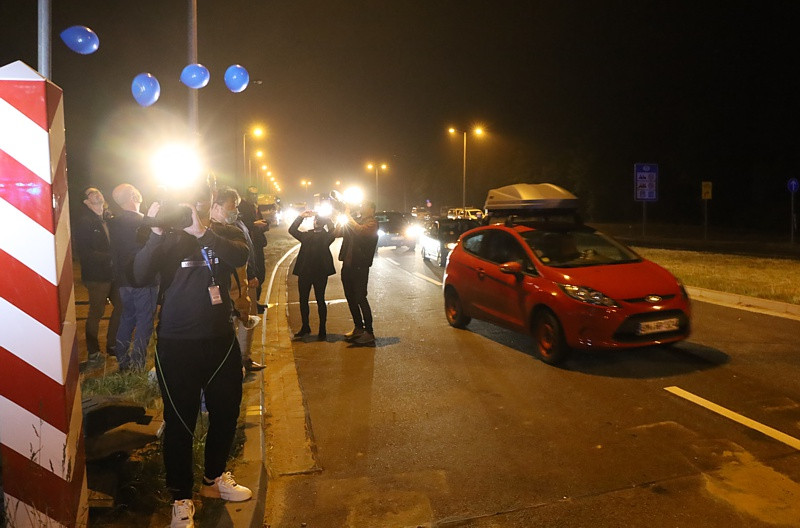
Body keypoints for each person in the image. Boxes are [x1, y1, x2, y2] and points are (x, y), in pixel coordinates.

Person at [133, 182, 252, 528]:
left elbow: (240, 256)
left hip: (220, 342)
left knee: (226, 413)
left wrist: (202, 233)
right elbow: (138, 274)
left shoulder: (225, 232)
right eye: (187, 200)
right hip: (176, 344)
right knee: (180, 422)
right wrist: (155, 233)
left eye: (201, 200)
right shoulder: (166, 237)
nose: (193, 207)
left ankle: (213, 480)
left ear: (211, 202)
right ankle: (181, 498)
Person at [210, 187, 265, 372]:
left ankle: (244, 359)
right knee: (230, 323)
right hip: (228, 288)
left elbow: (247, 253)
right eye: (231, 206)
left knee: (245, 318)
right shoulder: (211, 232)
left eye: (236, 206)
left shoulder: (236, 226)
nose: (235, 210)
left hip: (242, 283)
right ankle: (232, 366)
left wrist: (252, 273)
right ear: (215, 207)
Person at [108, 183, 158, 371]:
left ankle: (123, 360)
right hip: (144, 279)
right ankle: (138, 364)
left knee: (127, 318)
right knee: (145, 321)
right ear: (134, 197)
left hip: (123, 280)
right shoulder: (144, 222)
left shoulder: (114, 223)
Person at [73, 187, 120, 362]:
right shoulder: (85, 222)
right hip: (97, 276)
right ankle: (93, 352)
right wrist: (111, 257)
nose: (97, 194)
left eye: (98, 191)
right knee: (96, 313)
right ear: (86, 201)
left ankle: (112, 344)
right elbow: (85, 252)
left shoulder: (109, 217)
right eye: (91, 193)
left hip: (113, 273)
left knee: (121, 306)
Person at [335, 200, 379, 346]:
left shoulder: (372, 224)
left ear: (371, 209)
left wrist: (348, 215)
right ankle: (358, 328)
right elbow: (338, 233)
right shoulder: (356, 221)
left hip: (360, 266)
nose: (362, 208)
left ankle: (369, 332)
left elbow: (360, 231)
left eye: (365, 206)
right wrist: (342, 216)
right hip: (347, 266)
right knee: (350, 297)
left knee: (360, 297)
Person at [288, 210, 336, 340]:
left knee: (318, 300)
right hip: (308, 272)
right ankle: (308, 327)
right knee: (306, 300)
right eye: (316, 220)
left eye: (318, 220)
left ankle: (319, 329)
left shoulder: (325, 236)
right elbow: (292, 230)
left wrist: (326, 218)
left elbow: (333, 230)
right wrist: (301, 217)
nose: (316, 222)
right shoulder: (309, 235)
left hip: (316, 272)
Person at [237, 186, 269, 312]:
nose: (254, 197)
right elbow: (243, 224)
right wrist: (255, 224)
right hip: (250, 244)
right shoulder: (243, 206)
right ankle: (253, 303)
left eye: (256, 194)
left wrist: (264, 225)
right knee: (253, 273)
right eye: (252, 194)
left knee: (261, 273)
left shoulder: (255, 206)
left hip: (258, 243)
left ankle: (256, 300)